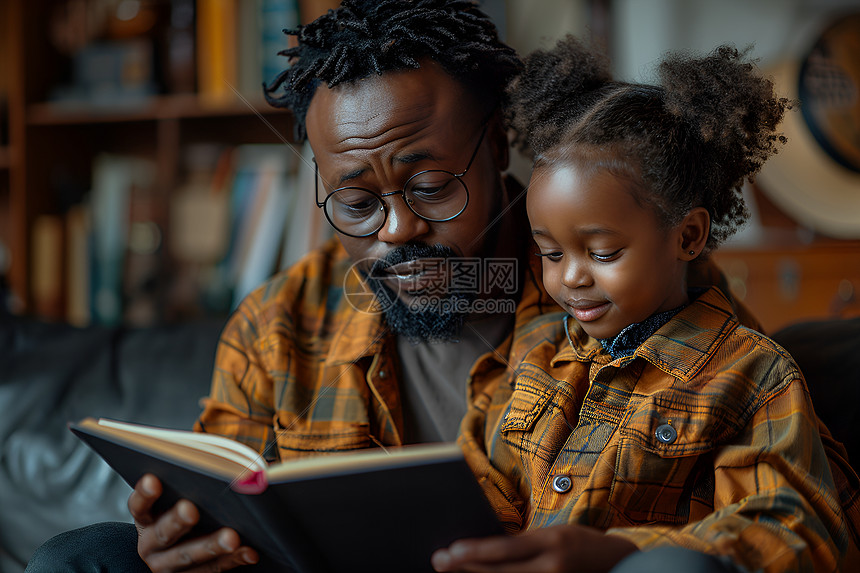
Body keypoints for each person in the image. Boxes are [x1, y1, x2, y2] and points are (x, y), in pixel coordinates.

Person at [26, 3, 762, 572]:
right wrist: (181, 544)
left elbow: (790, 517)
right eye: (356, 203)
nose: (397, 229)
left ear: (501, 144)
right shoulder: (277, 324)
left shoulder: (635, 288)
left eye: (431, 186)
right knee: (81, 554)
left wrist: (621, 554)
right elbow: (226, 508)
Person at [430, 36, 860, 573]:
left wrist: (627, 553)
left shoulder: (750, 375)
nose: (571, 277)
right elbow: (480, 481)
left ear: (687, 237)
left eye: (603, 252)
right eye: (550, 253)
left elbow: (794, 530)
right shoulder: (535, 354)